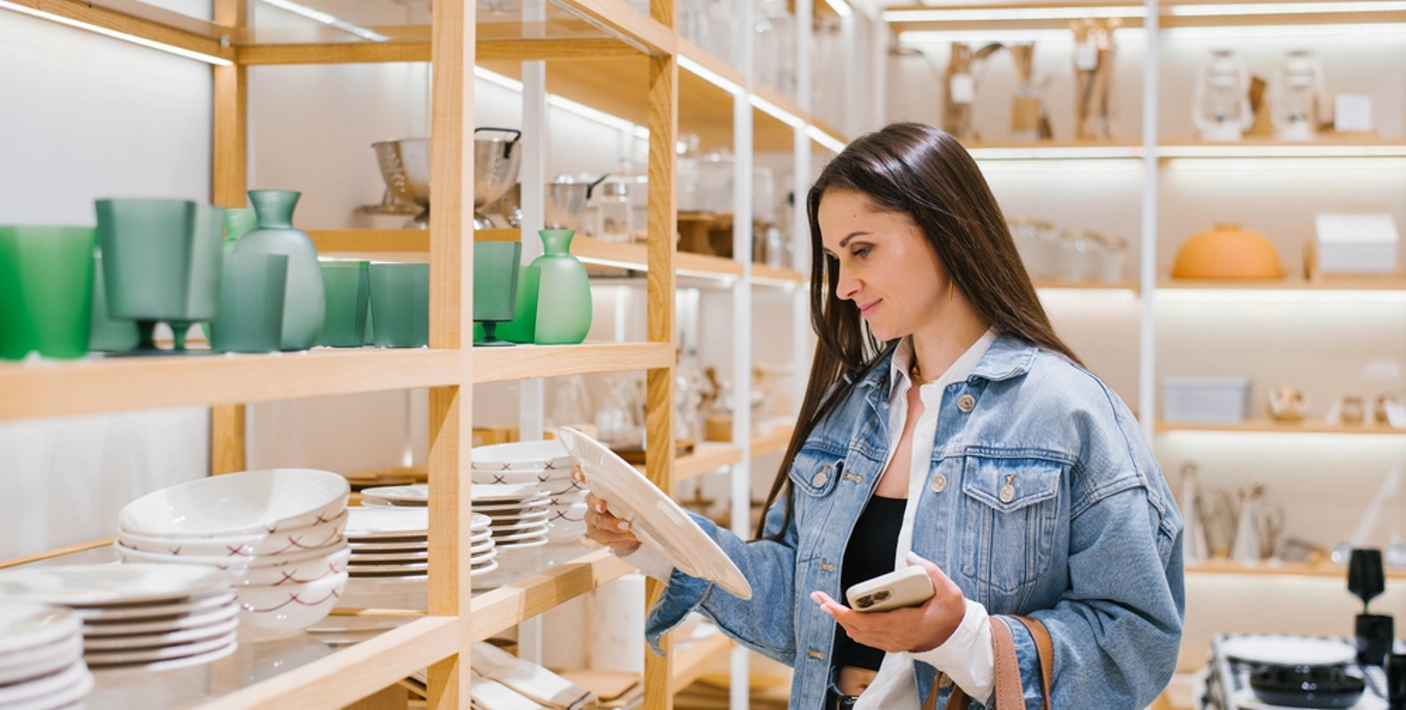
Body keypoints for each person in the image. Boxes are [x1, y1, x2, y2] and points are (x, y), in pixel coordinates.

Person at [581, 122, 1184, 709]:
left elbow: (1135, 643)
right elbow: (803, 607)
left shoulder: (1070, 411)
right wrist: (663, 540)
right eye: (834, 259)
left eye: (861, 250)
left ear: (945, 229)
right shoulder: (853, 407)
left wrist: (963, 638)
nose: (843, 286)